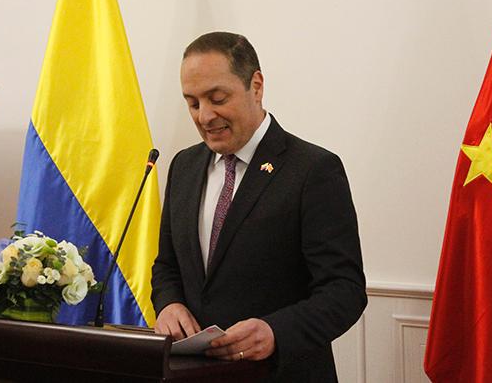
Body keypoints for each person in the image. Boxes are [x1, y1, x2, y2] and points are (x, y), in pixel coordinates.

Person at [151, 31, 366, 382]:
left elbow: (344, 291)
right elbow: (167, 266)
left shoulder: (313, 170)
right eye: (192, 103)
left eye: (217, 98)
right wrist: (168, 304)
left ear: (256, 86)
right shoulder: (184, 166)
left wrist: (275, 332)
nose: (205, 116)